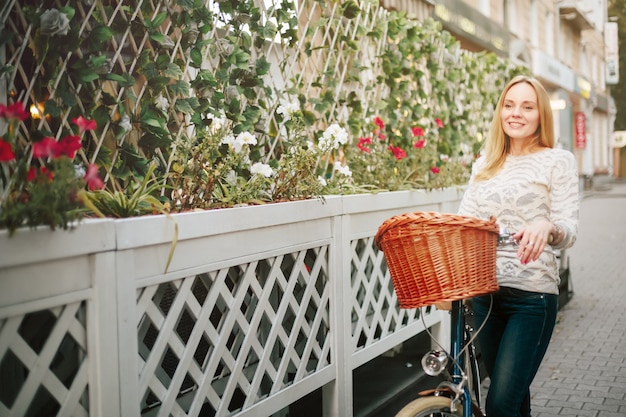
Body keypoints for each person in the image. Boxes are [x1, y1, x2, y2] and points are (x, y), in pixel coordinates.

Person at [457, 75, 579, 417]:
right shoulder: (484, 163)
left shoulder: (558, 161)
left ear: (541, 115)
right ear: (500, 112)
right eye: (509, 105)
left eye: (527, 107)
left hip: (532, 298)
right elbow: (466, 221)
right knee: (512, 401)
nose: (516, 113)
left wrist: (547, 225)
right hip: (484, 296)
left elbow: (569, 228)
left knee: (499, 405)